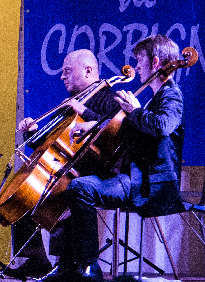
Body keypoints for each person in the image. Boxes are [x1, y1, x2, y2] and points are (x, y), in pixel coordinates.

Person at [35, 34, 186, 282]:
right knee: (71, 185)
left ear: (156, 63)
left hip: (148, 182)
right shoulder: (155, 98)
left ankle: (89, 268)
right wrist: (95, 123)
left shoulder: (171, 95)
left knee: (80, 187)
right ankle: (72, 266)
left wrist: (134, 110)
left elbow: (162, 126)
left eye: (140, 61)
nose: (137, 67)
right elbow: (124, 128)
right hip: (132, 175)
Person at [5, 49, 120, 280]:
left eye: (67, 71)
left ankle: (66, 264)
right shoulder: (70, 103)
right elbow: (53, 144)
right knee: (25, 191)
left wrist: (84, 111)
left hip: (96, 172)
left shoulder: (110, 99)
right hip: (69, 167)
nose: (62, 77)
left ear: (88, 71)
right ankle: (37, 259)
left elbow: (114, 129)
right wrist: (35, 133)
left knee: (60, 190)